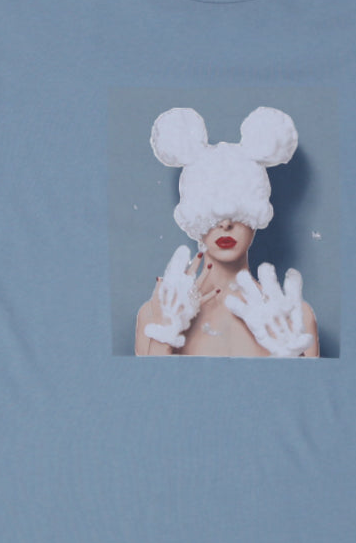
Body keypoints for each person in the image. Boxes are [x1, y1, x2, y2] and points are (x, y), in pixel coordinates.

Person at [134, 106, 320, 358]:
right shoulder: (155, 316)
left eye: (240, 211)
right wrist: (165, 336)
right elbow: (146, 384)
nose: (225, 224)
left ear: (256, 215)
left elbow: (308, 385)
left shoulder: (294, 320)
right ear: (193, 217)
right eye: (209, 212)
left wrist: (290, 353)